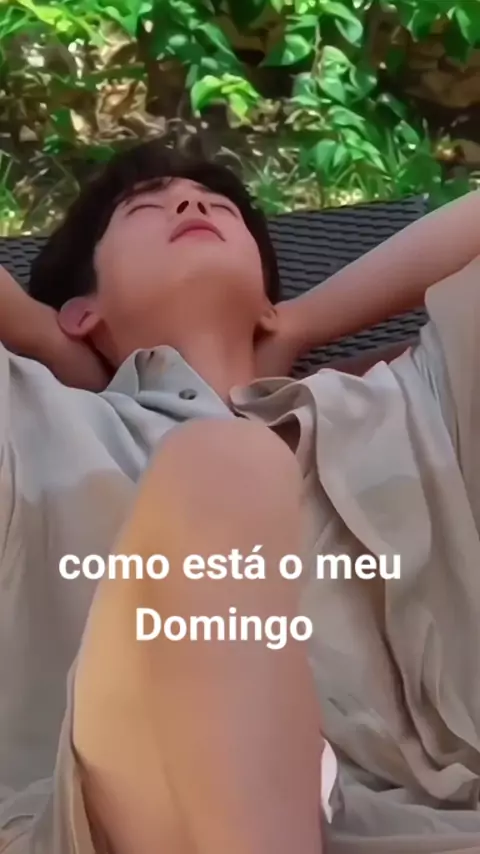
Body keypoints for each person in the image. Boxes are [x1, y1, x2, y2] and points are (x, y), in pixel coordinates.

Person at [2, 138, 480, 854]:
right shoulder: (32, 418)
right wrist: (39, 336)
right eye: (145, 208)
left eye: (215, 204)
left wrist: (306, 319)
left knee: (234, 455)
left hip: (441, 827)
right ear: (82, 310)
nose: (190, 203)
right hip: (113, 828)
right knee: (223, 465)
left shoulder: (410, 406)